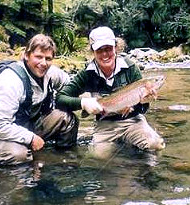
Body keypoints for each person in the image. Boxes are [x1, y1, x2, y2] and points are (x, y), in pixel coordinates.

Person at [56, 26, 165, 159]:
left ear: (116, 47)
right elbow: (60, 98)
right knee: (97, 158)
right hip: (105, 125)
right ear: (93, 52)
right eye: (99, 50)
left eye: (108, 49)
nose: (105, 54)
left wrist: (143, 102)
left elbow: (142, 110)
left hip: (133, 121)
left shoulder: (130, 68)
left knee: (156, 145)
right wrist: (84, 103)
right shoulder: (87, 74)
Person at [0, 34, 79, 165]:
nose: (43, 63)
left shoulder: (51, 73)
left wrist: (78, 101)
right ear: (26, 55)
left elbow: (70, 85)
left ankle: (61, 163)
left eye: (48, 58)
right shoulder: (10, 81)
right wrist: (31, 138)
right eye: (38, 57)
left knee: (67, 119)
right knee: (19, 155)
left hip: (28, 123)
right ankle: (20, 180)